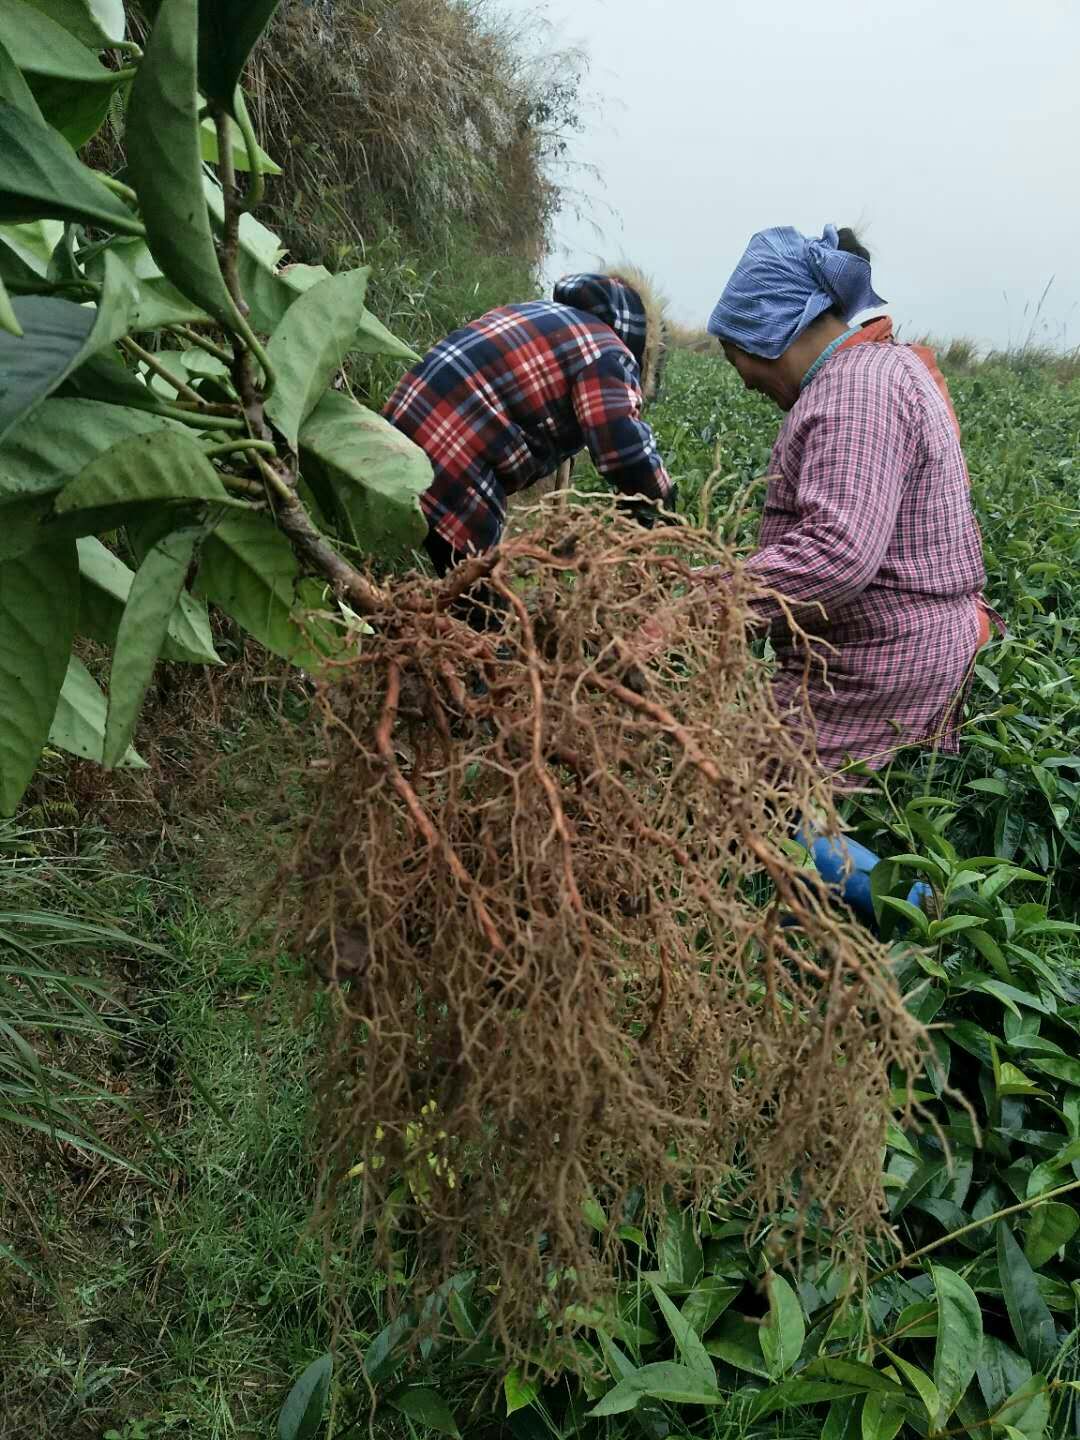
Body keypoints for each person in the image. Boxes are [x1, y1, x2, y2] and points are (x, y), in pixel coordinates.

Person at [699, 223, 1000, 785]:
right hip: (881, 649)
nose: (740, 380)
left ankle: (907, 882)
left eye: (729, 352)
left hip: (879, 661)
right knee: (764, 801)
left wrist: (700, 605)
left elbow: (839, 553)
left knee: (761, 808)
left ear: (765, 327)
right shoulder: (868, 374)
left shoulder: (857, 390)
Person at [382, 269, 677, 587]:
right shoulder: (608, 352)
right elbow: (620, 441)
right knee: (483, 607)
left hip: (395, 432)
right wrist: (658, 500)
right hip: (450, 455)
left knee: (403, 567)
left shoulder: (554, 318)